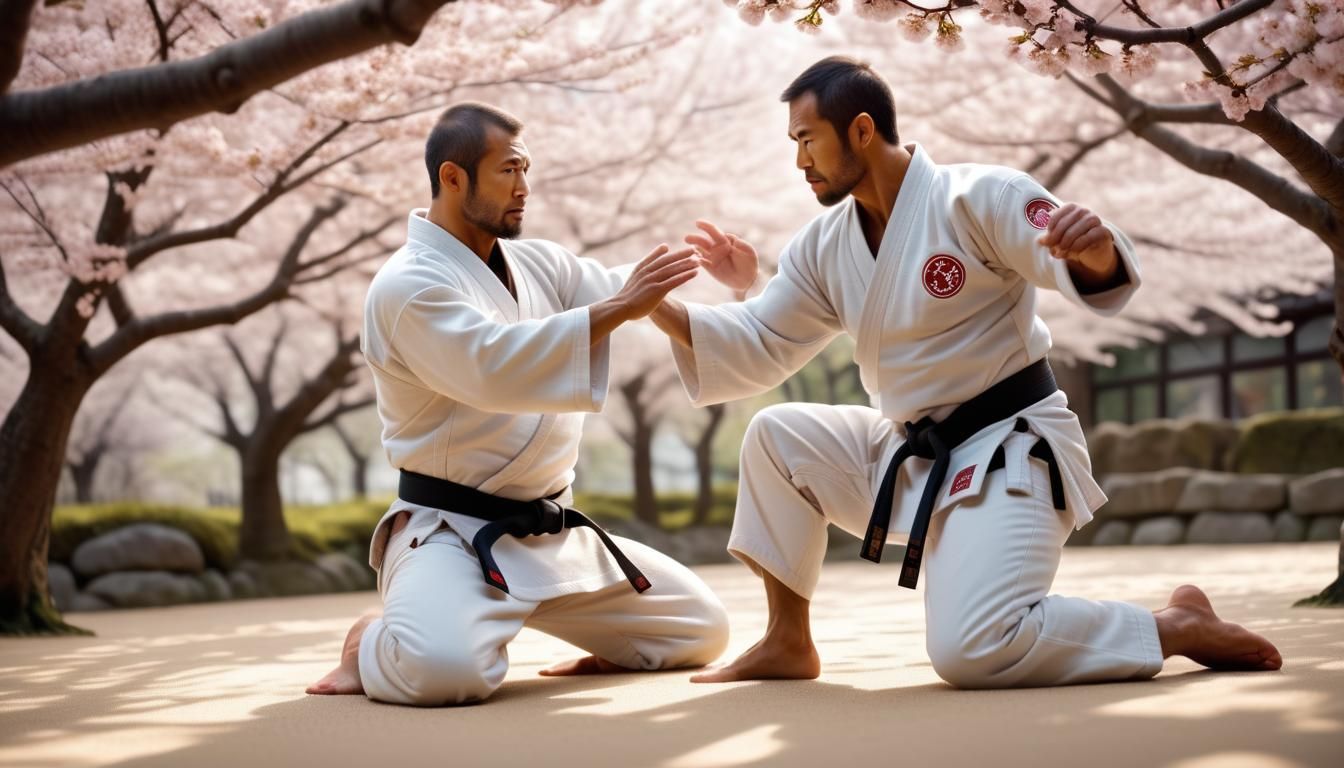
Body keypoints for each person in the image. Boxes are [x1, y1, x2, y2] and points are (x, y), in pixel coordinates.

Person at [648, 56, 1282, 687]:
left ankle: (1172, 626)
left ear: (861, 131)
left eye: (807, 139)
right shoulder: (823, 245)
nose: (799, 161)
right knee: (775, 435)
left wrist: (1094, 253)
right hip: (911, 451)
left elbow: (1067, 254)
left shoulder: (980, 196)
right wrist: (648, 305)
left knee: (973, 649)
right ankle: (787, 640)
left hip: (1007, 449)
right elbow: (760, 336)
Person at [306, 102, 728, 705]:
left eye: (526, 169)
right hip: (452, 535)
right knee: (445, 673)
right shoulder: (408, 285)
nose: (524, 187)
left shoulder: (538, 263)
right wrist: (620, 306)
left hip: (549, 533)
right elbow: (493, 365)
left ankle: (579, 630)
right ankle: (370, 641)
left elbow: (624, 288)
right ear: (453, 178)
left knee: (699, 629)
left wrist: (716, 277)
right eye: (508, 170)